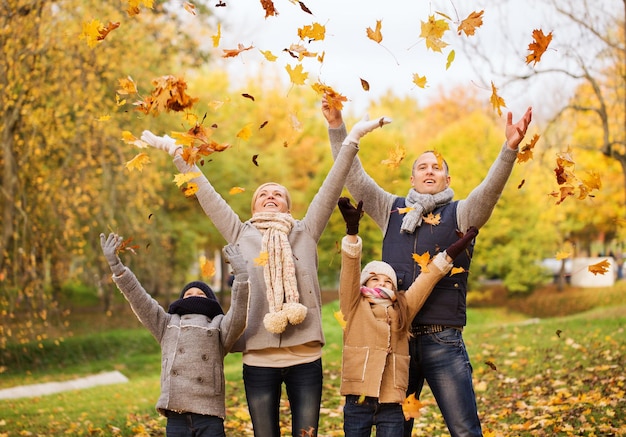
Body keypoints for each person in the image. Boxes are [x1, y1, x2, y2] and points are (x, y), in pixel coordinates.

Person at [139, 109, 390, 437]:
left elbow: (332, 184)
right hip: (258, 359)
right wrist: (177, 153)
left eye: (278, 195)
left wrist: (352, 138)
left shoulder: (305, 230)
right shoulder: (239, 233)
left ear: (288, 207)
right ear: (253, 207)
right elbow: (205, 192)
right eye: (263, 195)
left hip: (306, 356)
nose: (270, 197)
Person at [323, 99, 532, 437]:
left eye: (437, 167)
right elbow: (355, 178)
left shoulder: (461, 214)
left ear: (447, 177)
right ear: (412, 176)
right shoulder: (390, 208)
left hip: (442, 340)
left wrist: (509, 149)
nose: (430, 171)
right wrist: (337, 128)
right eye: (423, 166)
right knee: (395, 431)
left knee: (464, 430)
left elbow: (489, 192)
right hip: (396, 340)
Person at [336, 197, 478, 437]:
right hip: (358, 396)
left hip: (392, 400)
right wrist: (352, 233)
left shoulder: (401, 308)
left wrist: (451, 253)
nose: (382, 283)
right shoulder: (354, 306)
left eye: (387, 281)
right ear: (364, 283)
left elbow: (427, 279)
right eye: (375, 279)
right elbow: (350, 270)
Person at [100, 232, 250, 437]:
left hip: (209, 414)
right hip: (176, 416)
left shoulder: (219, 325)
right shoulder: (167, 323)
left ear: (211, 301)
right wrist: (117, 267)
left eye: (201, 294)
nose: (194, 297)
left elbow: (239, 314)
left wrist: (241, 277)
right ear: (181, 300)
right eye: (189, 294)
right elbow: (139, 299)